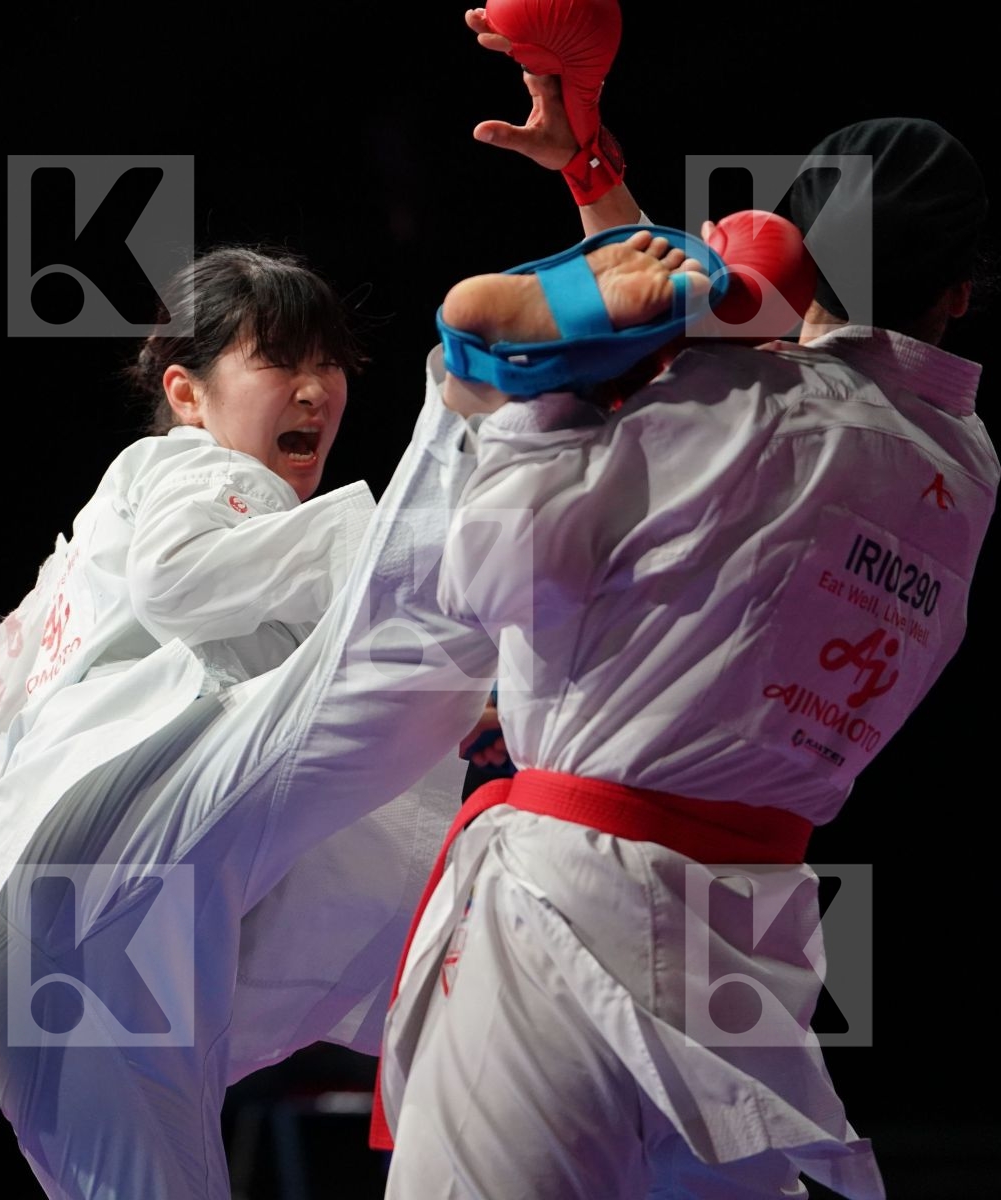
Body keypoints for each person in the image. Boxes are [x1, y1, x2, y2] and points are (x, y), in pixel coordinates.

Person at [371, 26, 996, 1195]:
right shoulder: (965, 473)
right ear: (959, 292)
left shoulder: (745, 397)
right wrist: (599, 182)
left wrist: (540, 398)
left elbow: (492, 568)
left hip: (568, 923)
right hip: (747, 954)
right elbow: (754, 411)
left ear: (796, 256)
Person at [0, 244, 508, 1199]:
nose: (317, 389)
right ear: (187, 394)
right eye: (279, 360)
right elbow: (184, 577)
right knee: (382, 642)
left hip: (53, 948)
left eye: (330, 363)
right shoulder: (190, 468)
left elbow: (0, 716)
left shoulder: (88, 556)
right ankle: (480, 385)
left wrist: (461, 695)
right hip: (106, 891)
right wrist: (380, 555)